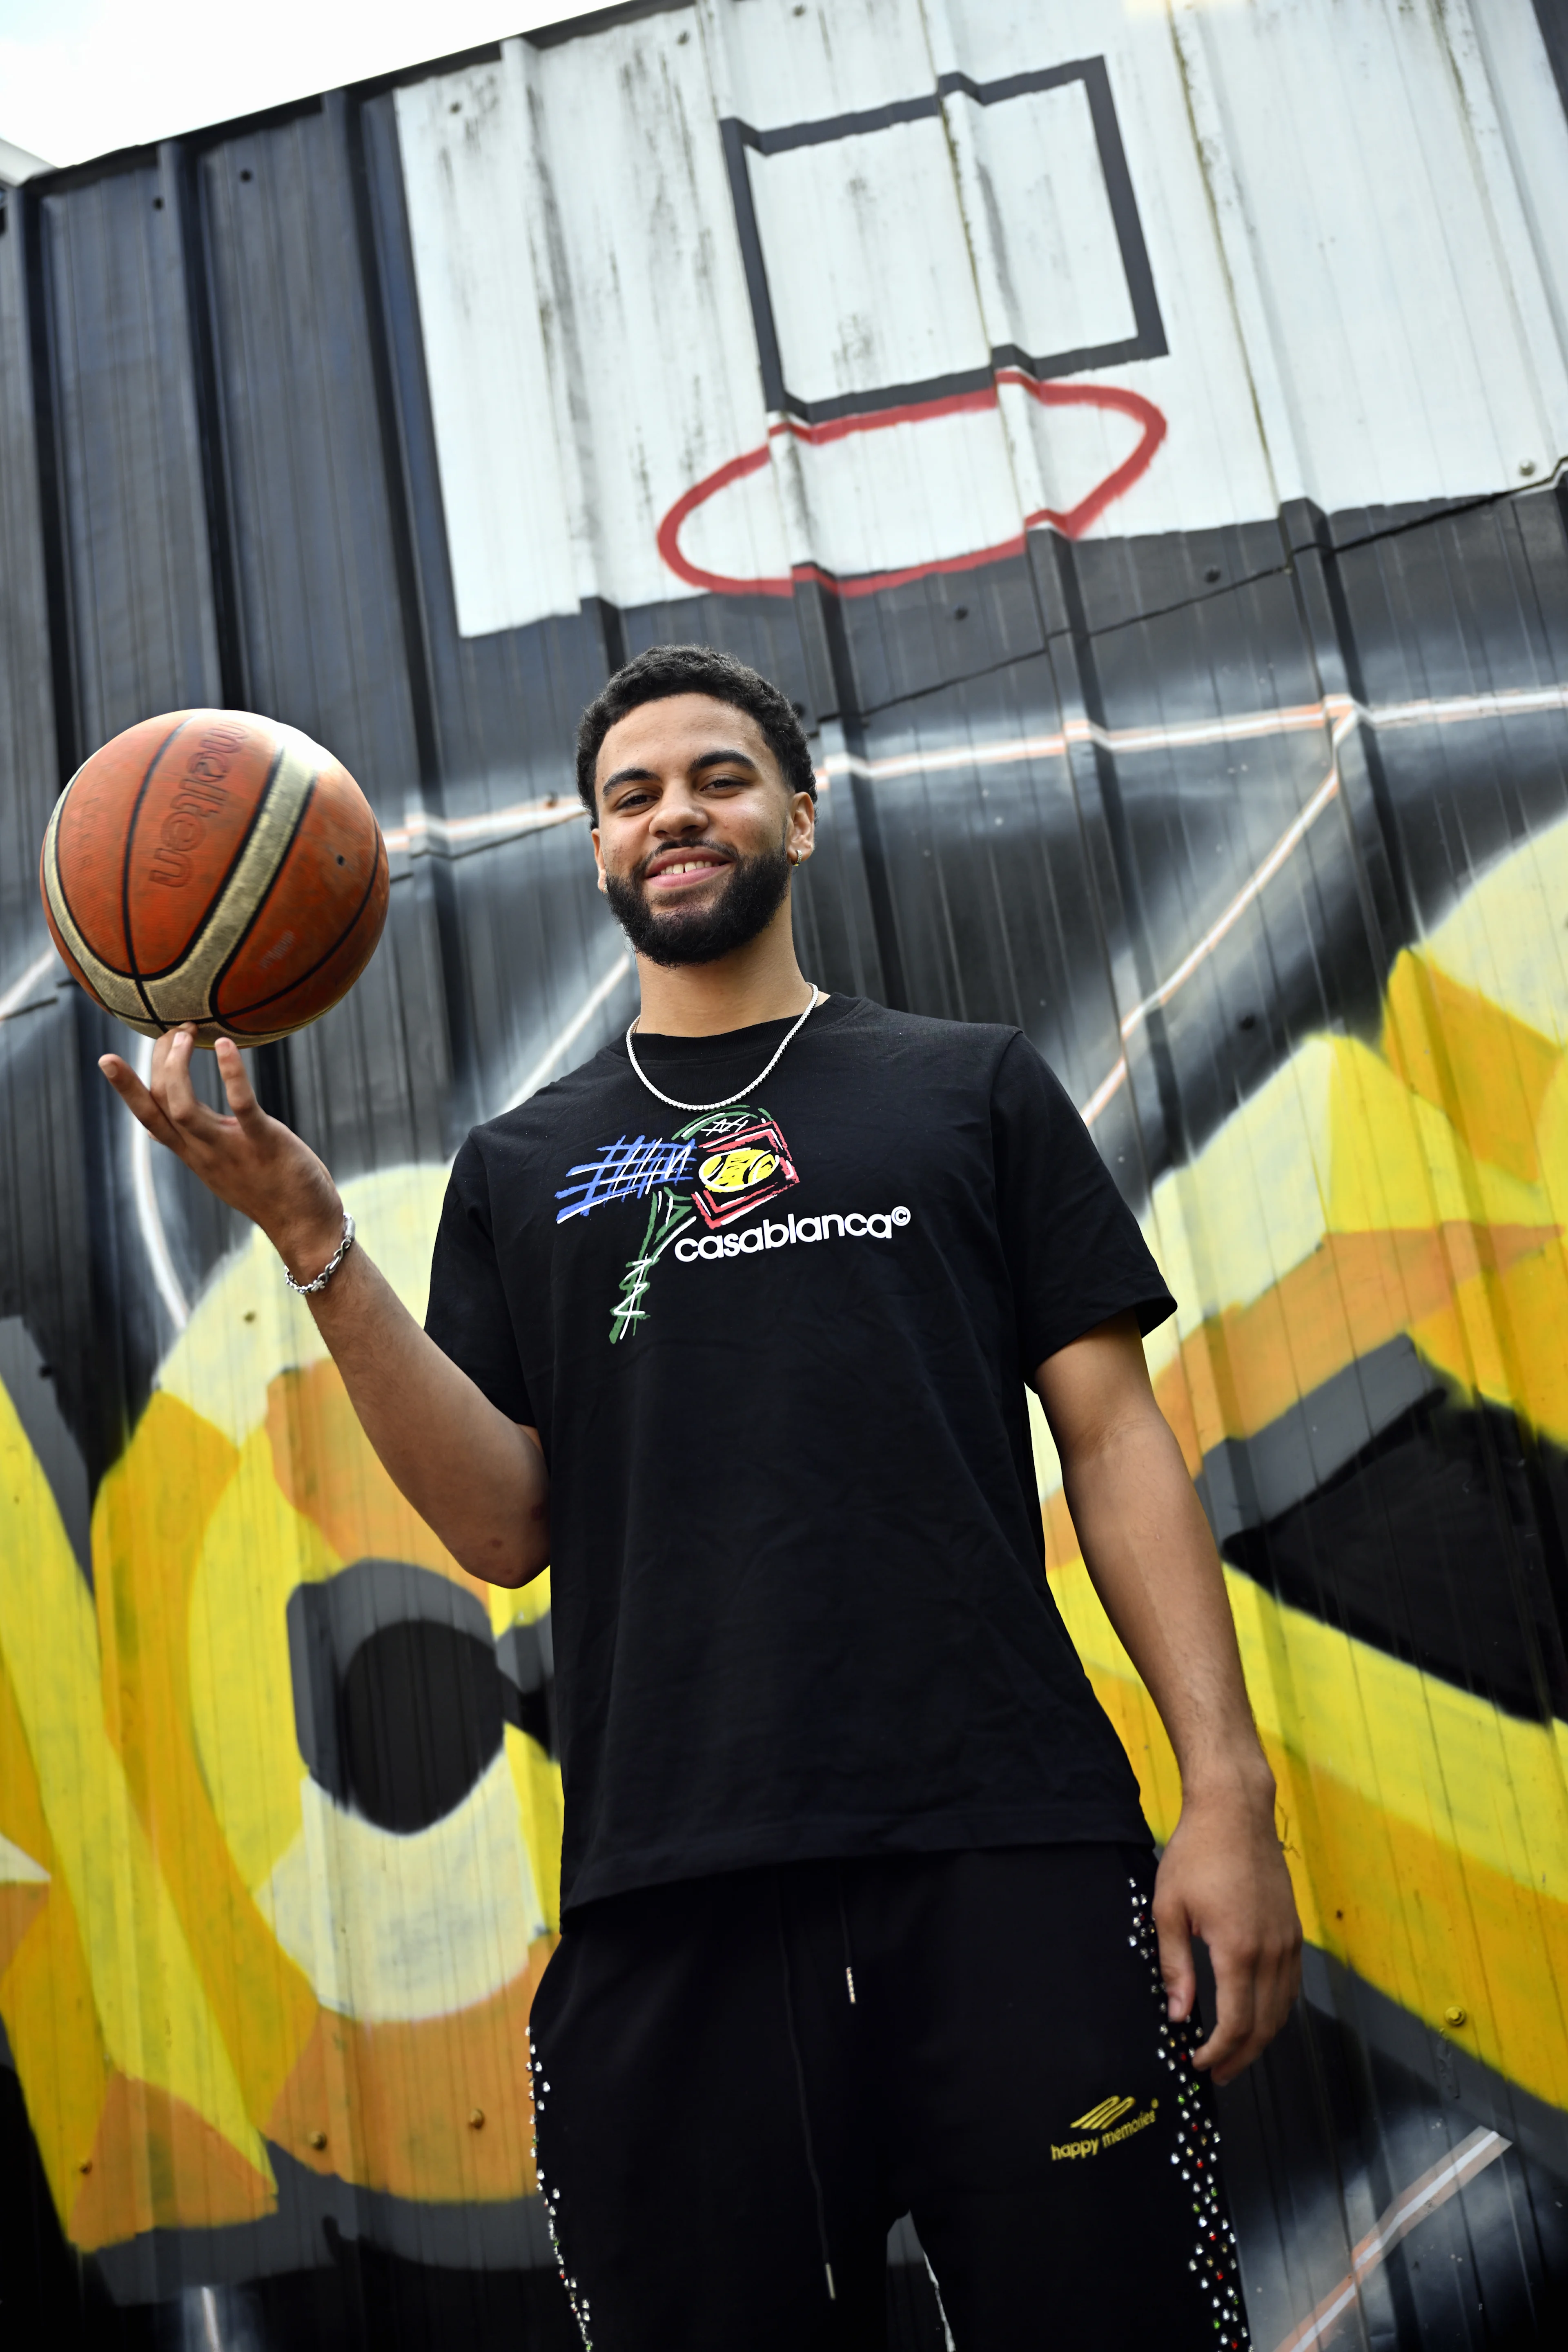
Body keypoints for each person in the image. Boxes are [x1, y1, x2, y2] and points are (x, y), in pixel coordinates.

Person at [102, 645, 1301, 2350]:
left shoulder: (967, 1089)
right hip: (673, 1892)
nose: (677, 813)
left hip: (1010, 1854)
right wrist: (313, 1239)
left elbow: (1115, 1446)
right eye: (633, 794)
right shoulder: (521, 1167)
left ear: (799, 818)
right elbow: (501, 1524)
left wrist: (1226, 1793)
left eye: (720, 778)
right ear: (595, 849)